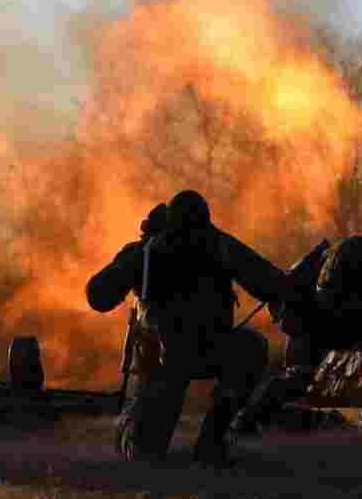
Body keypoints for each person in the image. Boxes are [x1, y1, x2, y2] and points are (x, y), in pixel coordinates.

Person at [85, 190, 306, 465]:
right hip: (161, 361)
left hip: (200, 351)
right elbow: (98, 295)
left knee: (250, 348)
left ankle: (211, 441)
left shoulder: (208, 246)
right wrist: (131, 264)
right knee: (144, 453)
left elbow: (272, 284)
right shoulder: (158, 250)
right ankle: (139, 429)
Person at [234, 231, 362, 435]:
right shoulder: (348, 257)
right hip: (316, 318)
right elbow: (323, 298)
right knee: (299, 377)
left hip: (348, 319)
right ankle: (249, 418)